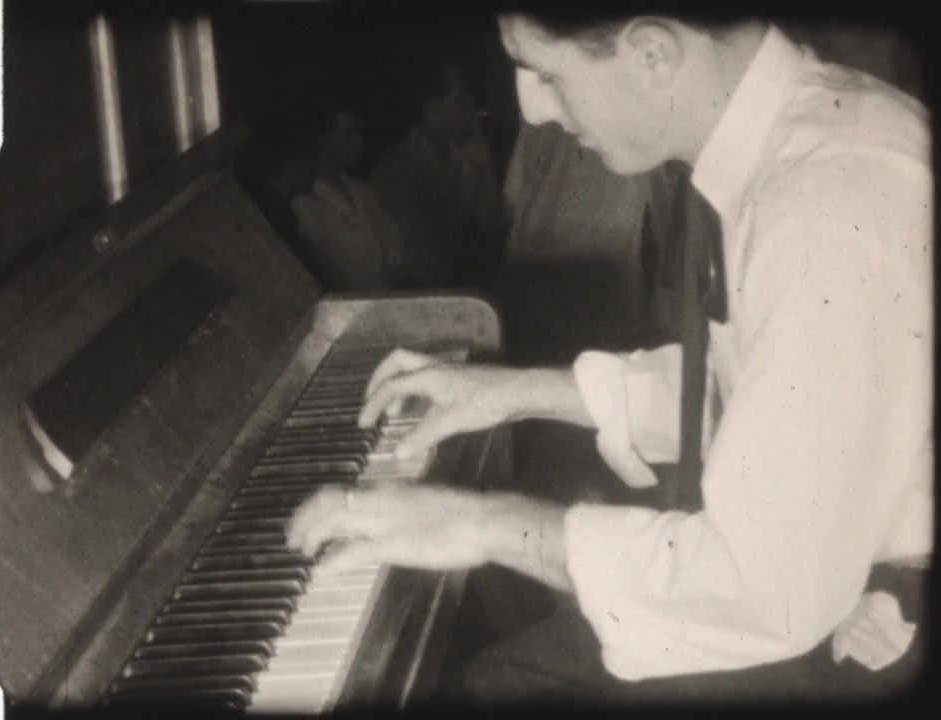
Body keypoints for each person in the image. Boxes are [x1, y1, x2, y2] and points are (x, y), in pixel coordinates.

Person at [287, 11, 931, 704]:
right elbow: (772, 398)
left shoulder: (822, 209)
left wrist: (478, 522)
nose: (533, 111)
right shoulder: (808, 127)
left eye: (548, 73)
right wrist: (522, 392)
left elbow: (761, 588)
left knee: (486, 688)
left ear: (653, 51)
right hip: (829, 574)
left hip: (873, 621)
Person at [370, 59, 509, 289]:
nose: (470, 104)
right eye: (460, 98)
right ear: (432, 109)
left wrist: (483, 168)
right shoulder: (395, 172)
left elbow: (494, 223)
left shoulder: (464, 155)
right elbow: (421, 263)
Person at [275, 105, 402, 291]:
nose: (360, 143)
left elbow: (395, 248)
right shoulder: (304, 203)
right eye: (349, 135)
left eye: (361, 133)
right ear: (323, 140)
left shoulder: (362, 191)